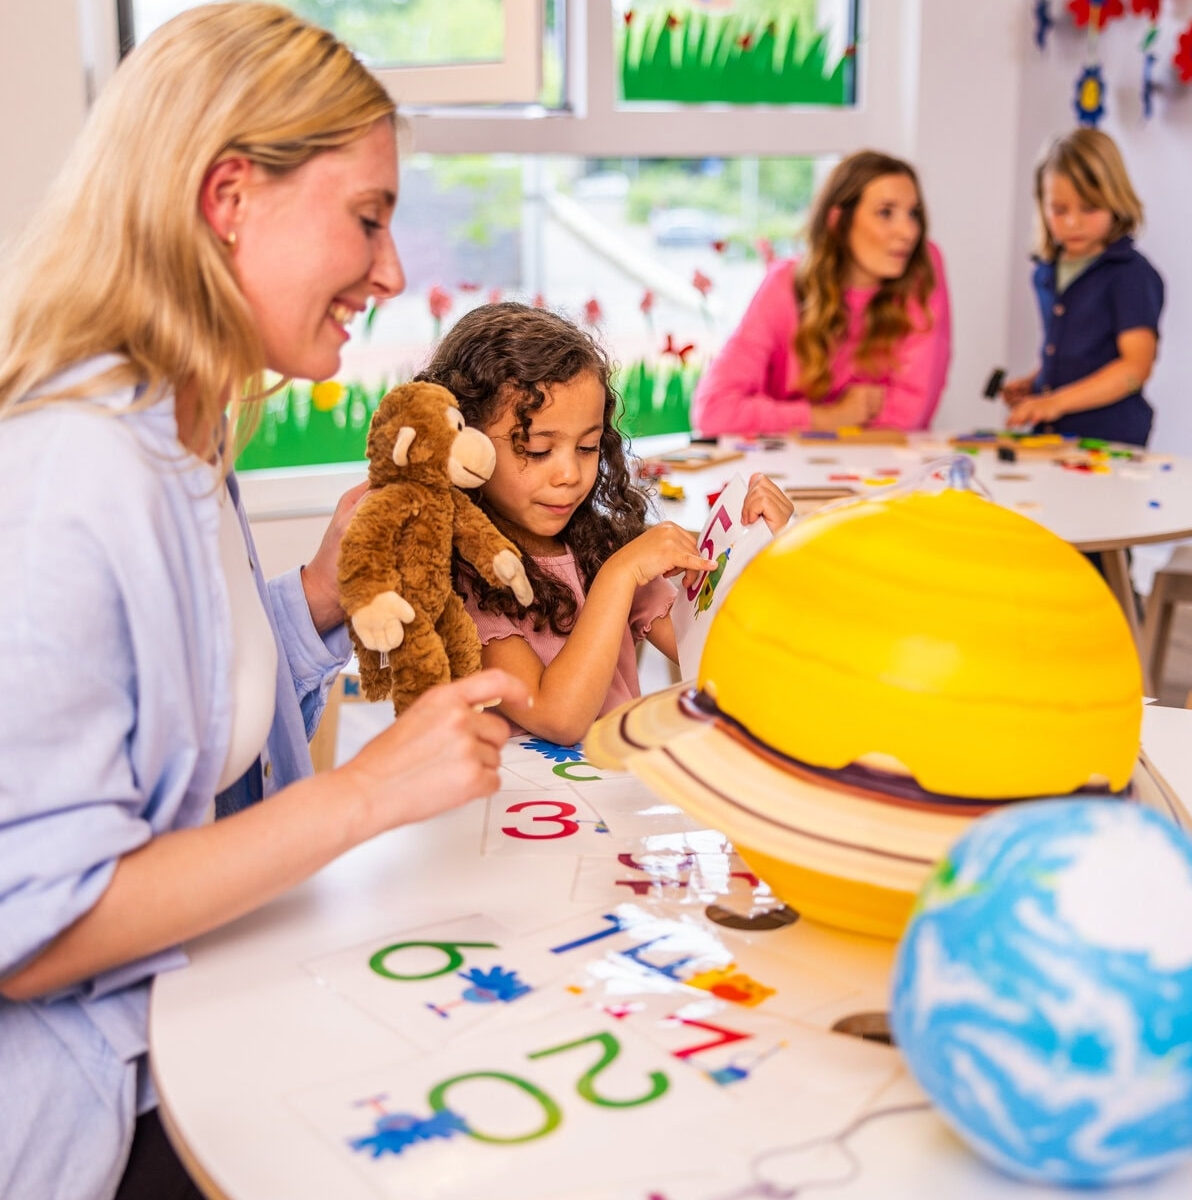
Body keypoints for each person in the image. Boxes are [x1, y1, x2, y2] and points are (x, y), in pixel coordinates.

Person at [0, 7, 528, 1200]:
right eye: (368, 217)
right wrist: (368, 793)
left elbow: (194, 739)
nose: (392, 271)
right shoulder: (70, 474)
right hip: (93, 1124)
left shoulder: (187, 433)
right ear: (228, 196)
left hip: (190, 1031)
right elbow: (29, 932)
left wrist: (315, 599)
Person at [417, 302, 795, 746]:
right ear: (466, 447)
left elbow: (714, 658)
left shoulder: (596, 543)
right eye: (538, 451)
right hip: (509, 809)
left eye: (588, 447)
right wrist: (619, 576)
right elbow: (559, 718)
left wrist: (768, 551)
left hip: (610, 799)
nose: (570, 475)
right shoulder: (464, 576)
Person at [691, 149, 952, 438]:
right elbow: (713, 411)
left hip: (877, 472)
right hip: (784, 473)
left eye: (913, 213)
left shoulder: (922, 268)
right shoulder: (785, 285)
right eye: (886, 212)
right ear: (838, 222)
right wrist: (827, 417)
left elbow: (909, 417)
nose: (908, 232)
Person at [1002, 128, 1163, 446]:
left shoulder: (1130, 274)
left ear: (1115, 200)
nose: (1073, 222)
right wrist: (1035, 383)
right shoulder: (1045, 272)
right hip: (1051, 438)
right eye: (1059, 210)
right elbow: (1073, 351)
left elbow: (1136, 367)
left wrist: (1055, 402)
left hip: (1110, 441)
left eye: (1089, 208)